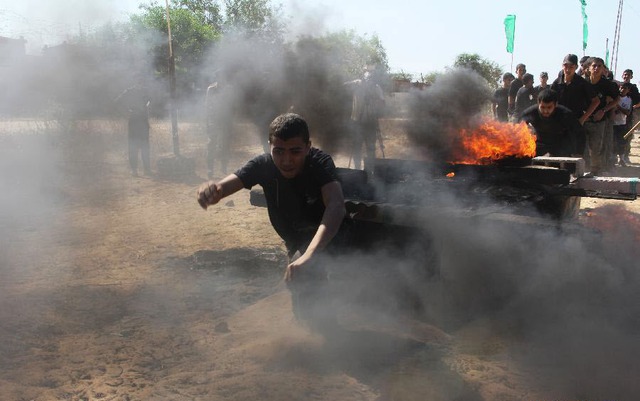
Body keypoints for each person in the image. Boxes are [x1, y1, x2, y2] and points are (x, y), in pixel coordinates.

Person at [196, 113, 347, 328]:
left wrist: (309, 257)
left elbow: (336, 206)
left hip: (329, 237)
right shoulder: (263, 164)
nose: (286, 160)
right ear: (270, 147)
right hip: (295, 239)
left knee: (321, 285)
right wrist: (214, 190)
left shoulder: (319, 162)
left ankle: (331, 336)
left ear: (308, 147)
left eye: (295, 151)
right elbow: (228, 184)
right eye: (278, 151)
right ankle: (310, 331)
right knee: (301, 292)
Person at [550, 54, 599, 159]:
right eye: (565, 66)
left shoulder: (582, 83)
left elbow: (595, 101)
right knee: (558, 152)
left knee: (576, 152)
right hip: (559, 122)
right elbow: (550, 100)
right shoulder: (556, 83)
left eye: (571, 67)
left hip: (576, 121)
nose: (567, 69)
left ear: (576, 67)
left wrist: (583, 118)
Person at [344, 68, 385, 173]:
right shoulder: (357, 85)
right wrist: (355, 83)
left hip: (371, 122)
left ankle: (369, 171)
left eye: (370, 78)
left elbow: (382, 102)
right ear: (362, 77)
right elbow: (344, 86)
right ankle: (357, 170)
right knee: (357, 147)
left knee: (371, 148)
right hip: (357, 122)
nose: (368, 80)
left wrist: (374, 99)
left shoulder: (376, 88)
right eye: (367, 77)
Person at [518, 89, 581, 157]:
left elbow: (580, 132)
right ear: (538, 103)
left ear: (556, 104)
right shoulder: (530, 113)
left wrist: (579, 152)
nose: (545, 111)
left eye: (549, 107)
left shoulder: (566, 114)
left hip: (561, 145)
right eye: (542, 107)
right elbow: (518, 130)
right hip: (540, 143)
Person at [584, 57, 620, 175]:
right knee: (581, 147)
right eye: (594, 66)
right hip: (582, 119)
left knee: (596, 148)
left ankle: (595, 172)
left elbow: (617, 100)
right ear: (588, 68)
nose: (596, 68)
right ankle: (582, 170)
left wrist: (604, 110)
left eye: (600, 66)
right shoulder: (582, 82)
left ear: (603, 68)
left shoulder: (607, 84)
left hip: (599, 120)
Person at [115, 82, 151, 176]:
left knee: (145, 146)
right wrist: (126, 112)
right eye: (138, 80)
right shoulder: (129, 92)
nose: (139, 82)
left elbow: (151, 101)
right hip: (134, 121)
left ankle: (146, 170)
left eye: (141, 80)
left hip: (143, 121)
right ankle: (134, 170)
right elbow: (118, 101)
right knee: (133, 146)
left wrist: (148, 106)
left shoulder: (145, 90)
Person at [205, 79, 239, 178]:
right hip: (214, 120)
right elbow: (207, 106)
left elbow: (233, 105)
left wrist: (231, 119)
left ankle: (224, 165)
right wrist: (208, 122)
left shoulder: (229, 89)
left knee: (225, 144)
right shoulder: (211, 89)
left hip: (226, 120)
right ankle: (210, 169)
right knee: (211, 144)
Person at [621, 69, 640, 164]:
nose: (626, 76)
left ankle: (625, 155)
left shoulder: (633, 88)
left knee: (627, 136)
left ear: (631, 77)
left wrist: (633, 107)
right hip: (617, 117)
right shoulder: (618, 86)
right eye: (624, 75)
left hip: (629, 116)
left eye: (628, 75)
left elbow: (637, 101)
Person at [613, 83, 633, 166]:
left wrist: (618, 107)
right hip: (613, 123)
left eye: (625, 88)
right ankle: (613, 159)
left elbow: (628, 112)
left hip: (622, 123)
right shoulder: (615, 97)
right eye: (621, 88)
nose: (622, 90)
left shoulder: (628, 100)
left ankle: (621, 159)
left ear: (628, 90)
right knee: (612, 142)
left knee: (621, 142)